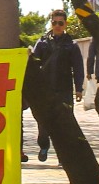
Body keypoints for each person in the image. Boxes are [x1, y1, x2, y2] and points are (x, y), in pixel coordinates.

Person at [30, 11, 85, 163]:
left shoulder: (71, 45)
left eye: (61, 23)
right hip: (45, 88)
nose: (57, 26)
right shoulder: (42, 43)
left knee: (66, 122)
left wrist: (79, 88)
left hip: (64, 88)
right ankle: (44, 145)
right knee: (43, 122)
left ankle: (64, 155)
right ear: (51, 23)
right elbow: (34, 64)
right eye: (55, 23)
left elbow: (78, 67)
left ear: (65, 24)